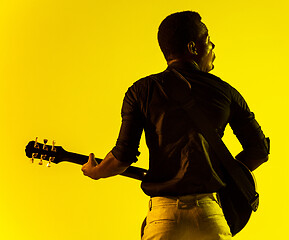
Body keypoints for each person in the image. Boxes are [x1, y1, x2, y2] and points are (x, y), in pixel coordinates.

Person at [82, 11, 270, 240]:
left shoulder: (141, 91)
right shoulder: (225, 92)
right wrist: (226, 171)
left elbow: (122, 157)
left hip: (164, 216)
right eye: (207, 39)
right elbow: (259, 150)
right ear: (192, 48)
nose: (212, 45)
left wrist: (97, 171)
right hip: (210, 214)